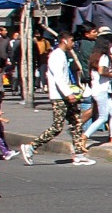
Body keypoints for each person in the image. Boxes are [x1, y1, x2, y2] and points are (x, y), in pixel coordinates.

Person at [21, 32, 94, 167]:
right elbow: (59, 77)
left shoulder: (62, 55)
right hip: (59, 97)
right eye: (71, 40)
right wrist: (68, 93)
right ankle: (31, 147)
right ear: (64, 41)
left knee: (77, 122)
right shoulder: (56, 55)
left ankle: (79, 154)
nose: (73, 43)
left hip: (65, 96)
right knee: (57, 127)